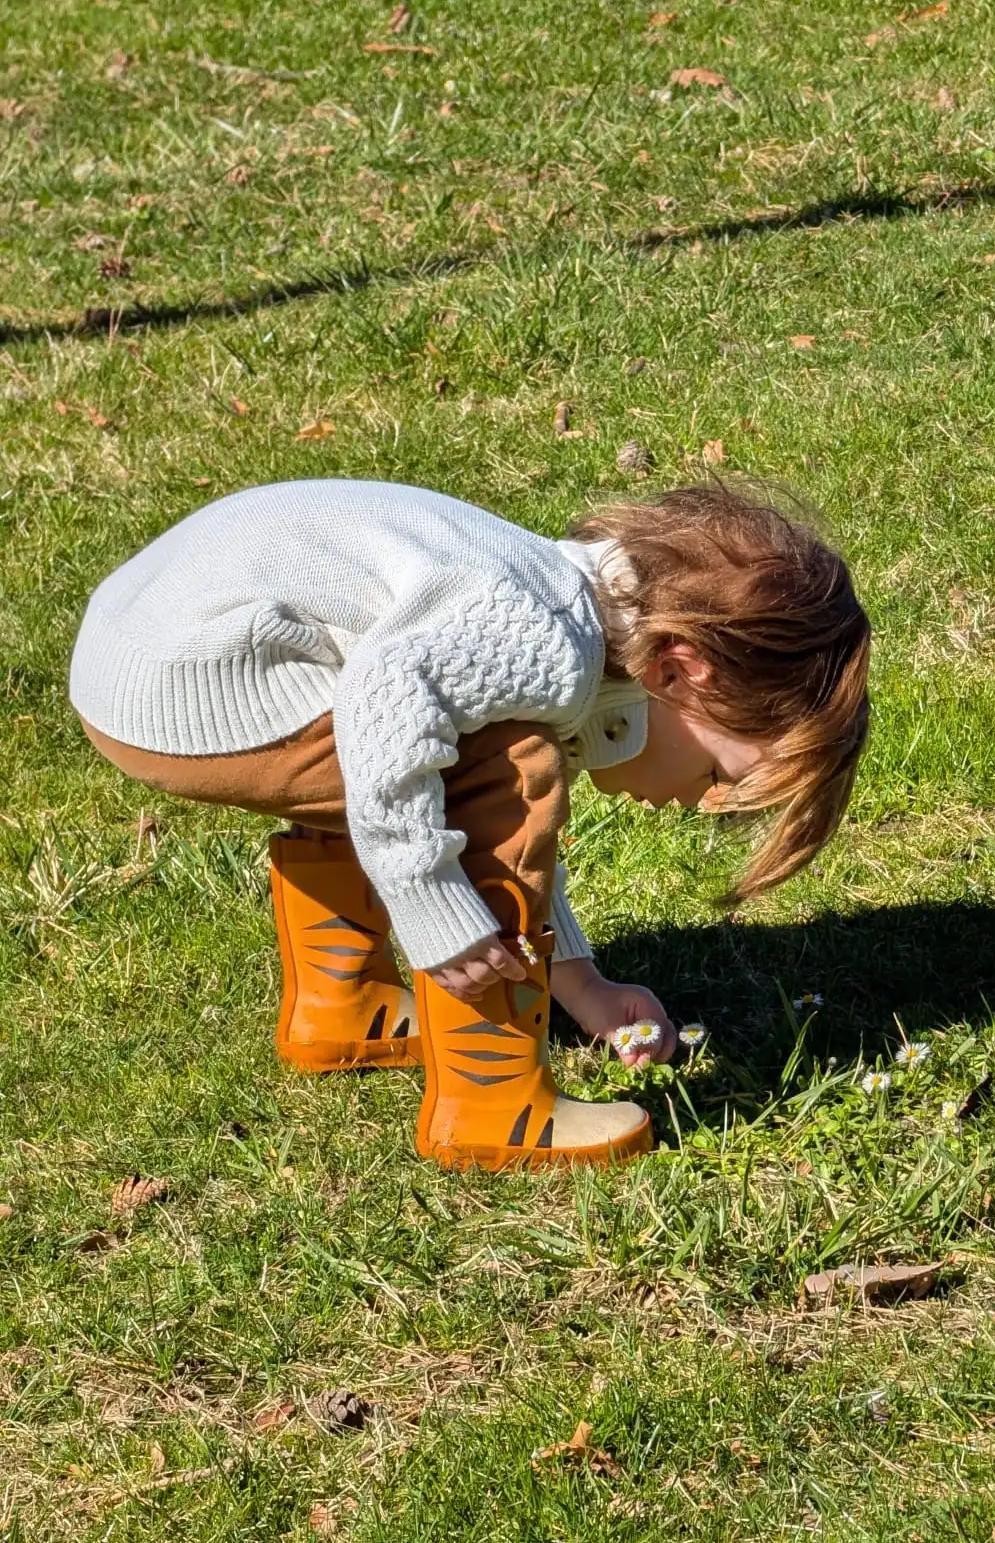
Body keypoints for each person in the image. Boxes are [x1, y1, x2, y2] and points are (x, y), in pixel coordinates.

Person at [68, 476, 870, 1172]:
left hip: (143, 655)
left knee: (440, 762)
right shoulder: (541, 630)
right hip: (189, 680)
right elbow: (401, 713)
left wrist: (580, 985)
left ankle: (342, 1007)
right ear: (678, 670)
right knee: (501, 768)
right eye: (717, 775)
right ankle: (493, 1106)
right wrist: (436, 913)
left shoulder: (561, 598)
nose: (701, 803)